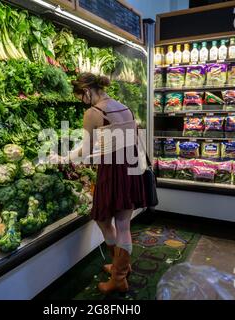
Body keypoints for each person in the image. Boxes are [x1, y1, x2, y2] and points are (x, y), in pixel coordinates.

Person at [67, 73, 147, 294]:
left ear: (87, 91)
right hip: (131, 169)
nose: (82, 101)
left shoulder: (93, 113)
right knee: (120, 223)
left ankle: (119, 278)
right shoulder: (124, 107)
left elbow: (85, 150)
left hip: (112, 171)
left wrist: (64, 157)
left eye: (81, 97)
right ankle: (120, 267)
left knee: (108, 221)